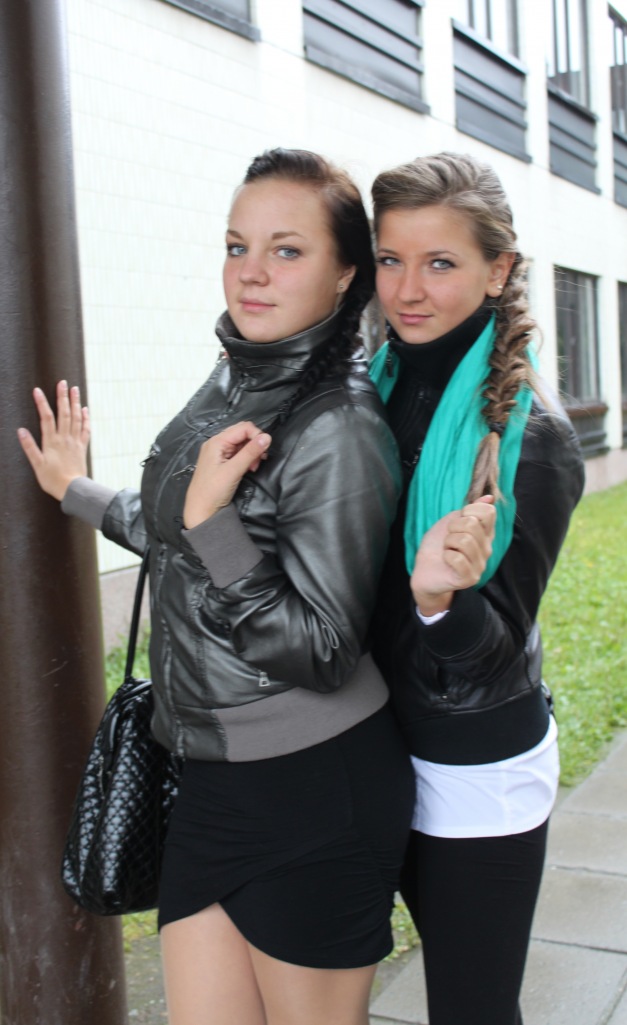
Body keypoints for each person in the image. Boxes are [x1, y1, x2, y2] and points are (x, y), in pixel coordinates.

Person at [16, 148, 426, 1025]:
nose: (251, 272)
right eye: (237, 245)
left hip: (313, 786)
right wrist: (77, 489)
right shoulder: (239, 371)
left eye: (287, 250)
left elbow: (322, 650)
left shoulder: (339, 427)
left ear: (345, 273)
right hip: (207, 776)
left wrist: (212, 521)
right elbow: (180, 528)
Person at [368, 152, 585, 1025]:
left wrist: (438, 601)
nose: (407, 290)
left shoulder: (537, 439)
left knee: (472, 1006)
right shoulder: (374, 386)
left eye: (440, 263)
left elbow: (494, 651)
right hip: (368, 738)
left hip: (471, 765)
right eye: (390, 259)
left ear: (498, 271)